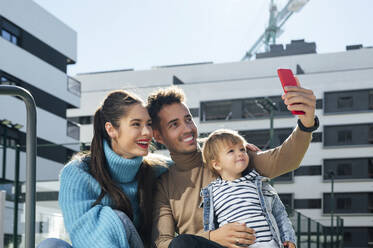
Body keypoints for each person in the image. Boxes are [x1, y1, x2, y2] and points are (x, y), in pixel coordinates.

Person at [148, 82, 318, 248]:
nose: (187, 129)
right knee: (181, 243)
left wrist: (306, 123)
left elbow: (283, 160)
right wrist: (213, 237)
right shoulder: (163, 185)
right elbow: (162, 243)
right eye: (174, 124)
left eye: (188, 119)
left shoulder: (225, 151)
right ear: (159, 136)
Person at [37, 90, 170, 248]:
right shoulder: (77, 173)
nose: (147, 132)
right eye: (136, 124)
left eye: (148, 124)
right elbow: (83, 236)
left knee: (118, 218)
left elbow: (196, 165)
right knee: (51, 245)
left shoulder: (158, 169)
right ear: (111, 129)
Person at [200, 129, 296, 248]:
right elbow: (211, 228)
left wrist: (288, 238)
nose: (240, 153)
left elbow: (280, 214)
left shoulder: (260, 185)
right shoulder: (212, 193)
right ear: (217, 164)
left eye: (242, 149)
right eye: (231, 151)